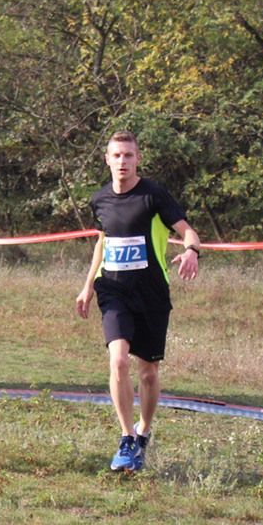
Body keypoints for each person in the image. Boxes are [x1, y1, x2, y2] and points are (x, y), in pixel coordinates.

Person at [76, 130, 201, 472]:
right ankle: (127, 437)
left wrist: (192, 251)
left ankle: (143, 431)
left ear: (137, 159)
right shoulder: (99, 200)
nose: (122, 162)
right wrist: (88, 286)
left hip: (151, 294)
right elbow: (102, 244)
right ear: (107, 160)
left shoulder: (153, 195)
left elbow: (188, 231)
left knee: (148, 373)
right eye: (116, 155)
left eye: (128, 155)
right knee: (118, 361)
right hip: (113, 291)